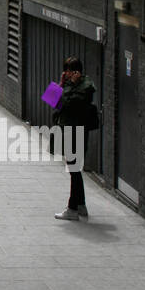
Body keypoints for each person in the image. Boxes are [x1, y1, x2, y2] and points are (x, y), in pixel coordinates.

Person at [53, 56, 97, 220]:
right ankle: (81, 206)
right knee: (74, 169)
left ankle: (72, 209)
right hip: (69, 129)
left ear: (76, 72)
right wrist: (61, 83)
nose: (66, 74)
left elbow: (68, 103)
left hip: (77, 131)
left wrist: (67, 87)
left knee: (74, 169)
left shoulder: (85, 87)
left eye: (68, 71)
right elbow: (52, 100)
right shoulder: (71, 85)